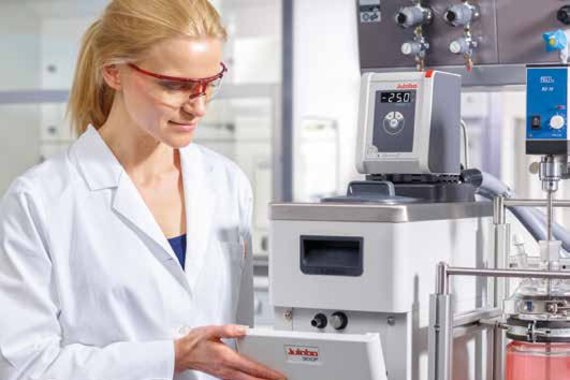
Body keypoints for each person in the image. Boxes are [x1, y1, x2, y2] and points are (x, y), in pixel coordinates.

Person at [0, 1, 284, 379]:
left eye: (209, 82)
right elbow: (27, 368)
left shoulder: (227, 182)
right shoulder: (39, 201)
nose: (198, 107)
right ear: (113, 73)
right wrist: (172, 357)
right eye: (174, 85)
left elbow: (238, 339)